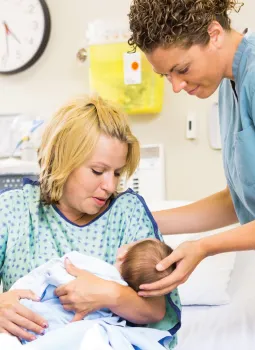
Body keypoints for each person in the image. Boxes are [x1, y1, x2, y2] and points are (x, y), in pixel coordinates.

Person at [127, 0, 255, 348]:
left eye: (181, 69)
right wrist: (142, 217)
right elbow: (240, 198)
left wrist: (204, 248)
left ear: (214, 35)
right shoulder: (229, 85)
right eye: (166, 76)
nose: (176, 86)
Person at [0, 95, 181, 349]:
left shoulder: (127, 213)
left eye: (117, 173)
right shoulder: (13, 210)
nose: (109, 185)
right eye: (98, 171)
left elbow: (154, 312)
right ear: (63, 160)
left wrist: (109, 294)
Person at [4, 240, 175, 349]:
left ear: (122, 256)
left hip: (45, 320)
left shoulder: (95, 267)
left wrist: (20, 292)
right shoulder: (127, 299)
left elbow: (56, 269)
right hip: (76, 330)